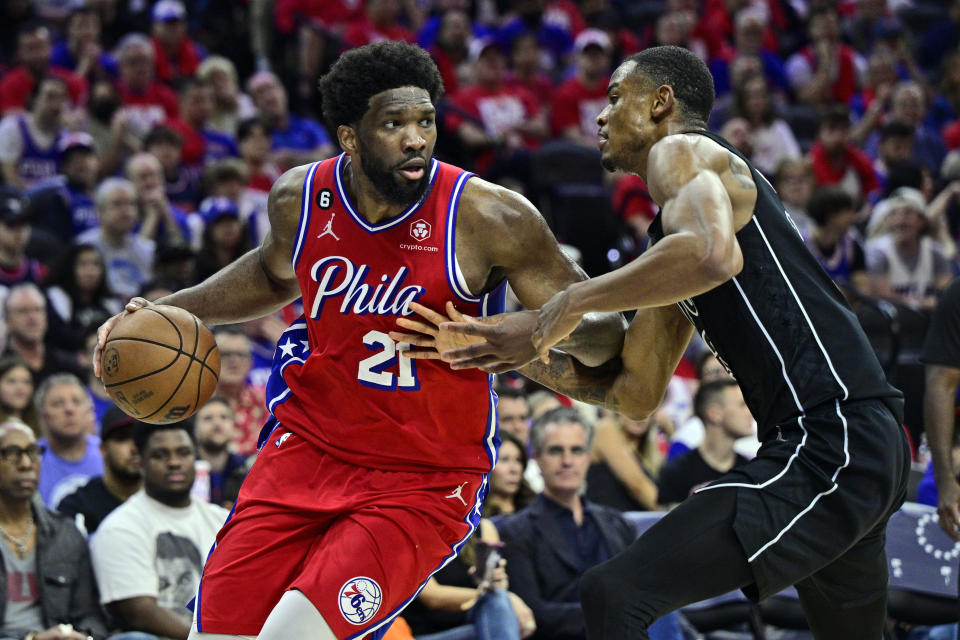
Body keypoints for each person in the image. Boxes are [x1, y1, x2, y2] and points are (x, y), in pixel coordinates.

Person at [93, 41, 623, 640]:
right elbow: (272, 273)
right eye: (394, 124)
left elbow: (607, 336)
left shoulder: (490, 216)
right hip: (305, 450)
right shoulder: (301, 197)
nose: (417, 138)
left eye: (425, 120)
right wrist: (165, 310)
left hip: (421, 475)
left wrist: (528, 330)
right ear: (350, 137)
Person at [418, 45, 910, 638]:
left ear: (661, 103)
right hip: (856, 443)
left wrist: (570, 300)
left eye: (616, 97)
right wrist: (517, 356)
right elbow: (635, 394)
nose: (599, 117)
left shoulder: (686, 150)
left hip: (829, 437)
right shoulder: (672, 251)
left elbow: (711, 254)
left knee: (613, 593)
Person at [495, 408, 680, 640]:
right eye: (555, 451)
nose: (567, 461)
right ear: (538, 458)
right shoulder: (516, 531)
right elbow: (532, 612)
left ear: (588, 457)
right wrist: (616, 615)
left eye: (577, 450)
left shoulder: (618, 524)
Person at [90, 421, 228, 640]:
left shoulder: (222, 520)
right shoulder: (120, 527)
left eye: (183, 453)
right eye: (160, 455)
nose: (174, 462)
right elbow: (138, 612)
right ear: (141, 462)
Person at [0, 419, 108, 640]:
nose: (26, 464)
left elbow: (90, 615)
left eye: (33, 452)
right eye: (12, 453)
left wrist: (83, 637)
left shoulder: (65, 532)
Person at [657, 379, 753, 507]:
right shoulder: (676, 472)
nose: (750, 412)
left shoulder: (750, 471)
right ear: (715, 414)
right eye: (742, 405)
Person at [57, 403, 142, 536]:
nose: (134, 448)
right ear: (102, 449)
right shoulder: (76, 507)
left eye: (140, 437)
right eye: (123, 438)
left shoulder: (167, 498)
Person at [34, 373, 102, 509]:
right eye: (57, 404)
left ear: (89, 411)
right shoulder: (31, 458)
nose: (69, 409)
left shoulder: (106, 452)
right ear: (41, 416)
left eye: (77, 402)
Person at [192, 396, 248, 508]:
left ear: (233, 425)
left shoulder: (247, 469)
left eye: (224, 417)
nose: (217, 423)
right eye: (208, 418)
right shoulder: (185, 469)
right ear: (195, 429)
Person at [484, 430, 536, 518]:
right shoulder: (471, 520)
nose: (514, 469)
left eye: (518, 460)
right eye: (504, 460)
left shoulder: (536, 509)